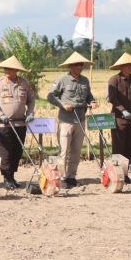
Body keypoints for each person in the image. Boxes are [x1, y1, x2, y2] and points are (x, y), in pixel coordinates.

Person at [45, 52, 96, 189]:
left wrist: (93, 101)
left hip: (80, 119)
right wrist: (62, 105)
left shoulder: (85, 80)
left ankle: (71, 177)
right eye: (77, 65)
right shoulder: (62, 80)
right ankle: (61, 177)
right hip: (66, 120)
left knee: (76, 151)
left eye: (82, 65)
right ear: (71, 66)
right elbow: (50, 96)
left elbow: (89, 95)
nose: (80, 67)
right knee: (64, 151)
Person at [0, 56, 37, 191]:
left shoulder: (24, 84)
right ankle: (6, 178)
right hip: (4, 125)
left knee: (17, 151)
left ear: (16, 70)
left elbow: (31, 100)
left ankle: (12, 176)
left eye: (10, 68)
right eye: (6, 68)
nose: (7, 70)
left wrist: (30, 113)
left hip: (20, 124)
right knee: (5, 152)